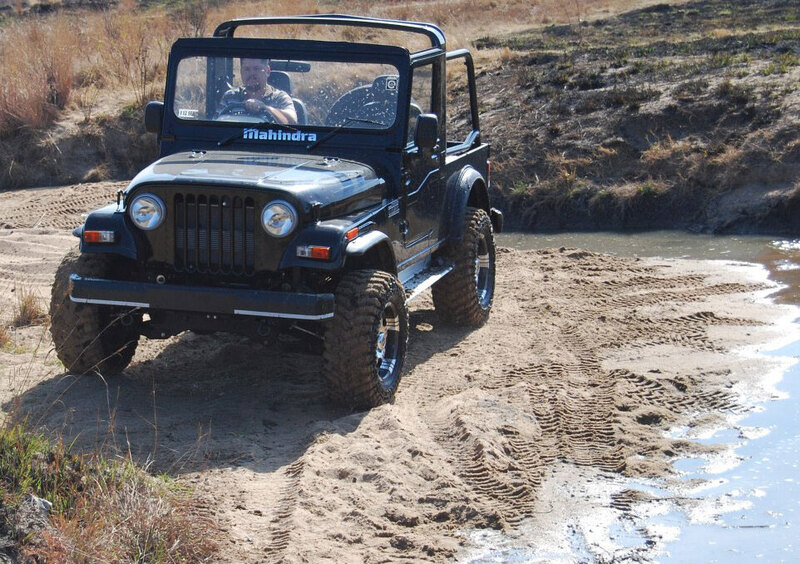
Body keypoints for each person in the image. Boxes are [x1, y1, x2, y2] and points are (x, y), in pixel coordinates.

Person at [217, 58, 297, 125]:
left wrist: (265, 108)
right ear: (241, 72)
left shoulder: (280, 97)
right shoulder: (230, 97)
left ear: (267, 71)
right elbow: (216, 125)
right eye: (247, 69)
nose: (252, 74)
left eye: (256, 69)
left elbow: (292, 122)